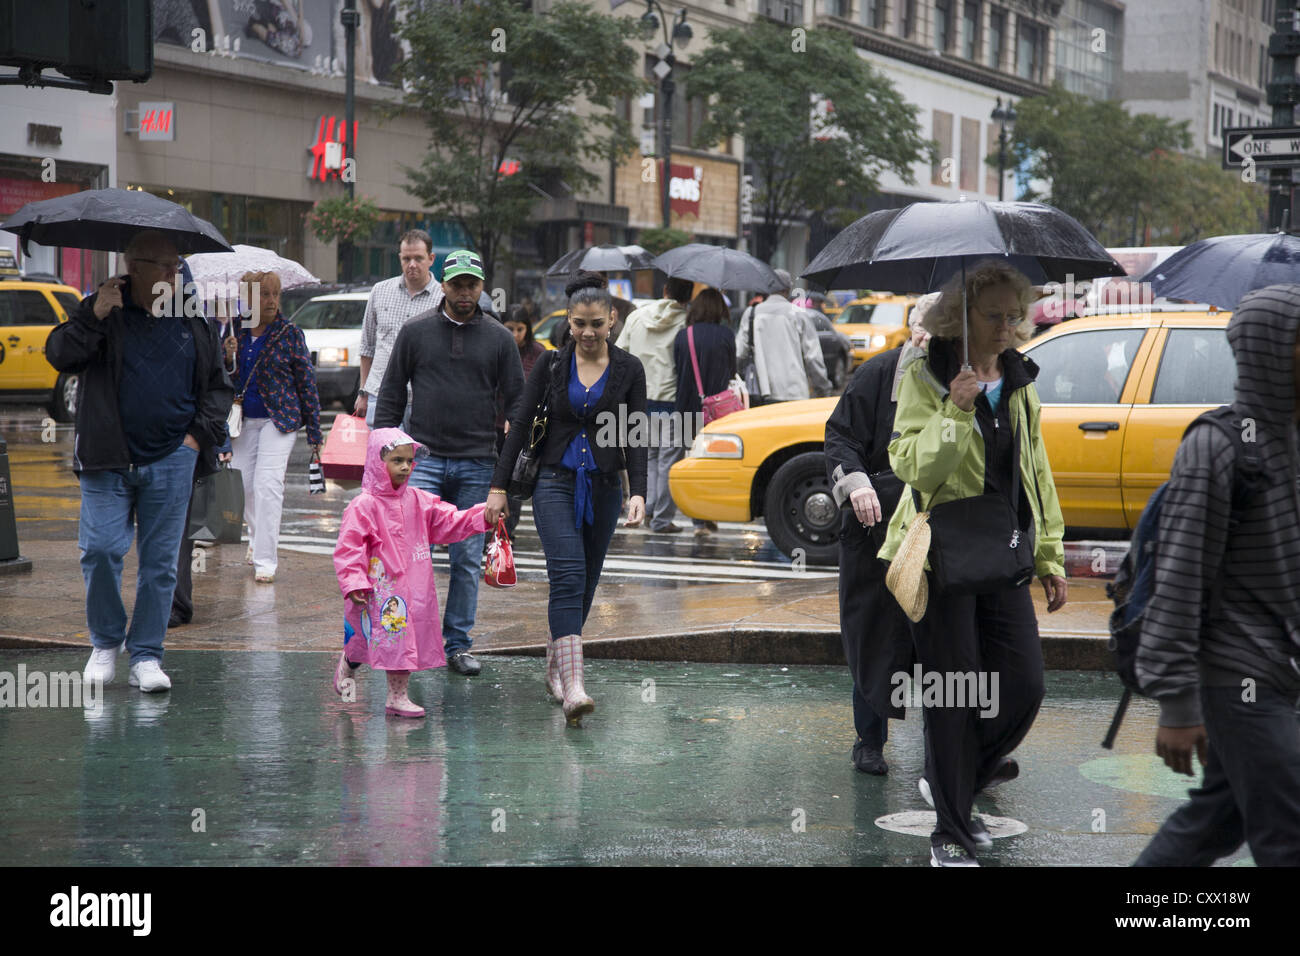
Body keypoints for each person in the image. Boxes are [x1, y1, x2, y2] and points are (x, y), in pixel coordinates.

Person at [878, 260, 1067, 867]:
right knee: (953, 693)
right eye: (995, 316)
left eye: (1015, 315)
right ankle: (950, 833)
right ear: (961, 319)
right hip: (941, 556)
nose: (1008, 327)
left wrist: (1049, 555)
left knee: (1024, 685)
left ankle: (956, 774)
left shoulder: (1018, 376)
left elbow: (1034, 470)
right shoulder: (924, 373)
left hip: (1003, 553)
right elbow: (912, 469)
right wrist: (955, 412)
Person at [1133, 285, 1300, 867]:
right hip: (1238, 674)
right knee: (1291, 833)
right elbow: (1179, 580)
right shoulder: (1217, 446)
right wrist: (1178, 705)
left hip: (1283, 668)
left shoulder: (1292, 438)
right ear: (1271, 348)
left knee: (1215, 821)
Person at [46, 230, 233, 693]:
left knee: (161, 564)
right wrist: (92, 316)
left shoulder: (193, 317)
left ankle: (147, 654)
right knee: (101, 550)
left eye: (177, 265)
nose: (177, 273)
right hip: (107, 459)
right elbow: (60, 355)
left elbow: (217, 386)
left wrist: (194, 439)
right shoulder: (102, 308)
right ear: (136, 267)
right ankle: (106, 642)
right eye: (166, 266)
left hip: (173, 457)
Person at [489, 271, 648, 724]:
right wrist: (499, 487)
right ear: (569, 321)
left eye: (597, 323)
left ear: (613, 319)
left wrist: (638, 492)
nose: (588, 333)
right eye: (579, 324)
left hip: (602, 485)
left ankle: (558, 657)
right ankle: (575, 686)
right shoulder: (552, 363)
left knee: (588, 580)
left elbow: (635, 436)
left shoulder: (629, 369)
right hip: (553, 481)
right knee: (569, 574)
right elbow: (520, 424)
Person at [375, 249, 524, 676]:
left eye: (472, 285)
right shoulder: (415, 331)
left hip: (478, 462)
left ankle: (457, 645)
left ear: (482, 288)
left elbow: (518, 400)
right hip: (423, 460)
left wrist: (508, 464)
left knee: (465, 558)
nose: (464, 292)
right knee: (408, 555)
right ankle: (407, 638)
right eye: (456, 284)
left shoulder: (498, 338)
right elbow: (390, 394)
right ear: (443, 285)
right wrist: (385, 452)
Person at [823, 299, 933, 775]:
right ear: (911, 329)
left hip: (936, 528)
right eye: (923, 330)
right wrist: (857, 483)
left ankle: (959, 746)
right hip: (872, 527)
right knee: (872, 633)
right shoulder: (878, 373)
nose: (929, 340)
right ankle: (868, 740)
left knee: (941, 641)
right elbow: (839, 437)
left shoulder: (963, 384)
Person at [332, 428, 491, 718]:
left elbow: (449, 521)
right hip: (374, 588)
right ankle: (350, 662)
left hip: (411, 587)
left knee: (401, 638)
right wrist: (354, 581)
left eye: (409, 461)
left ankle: (397, 696)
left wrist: (481, 516)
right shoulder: (363, 505)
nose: (405, 467)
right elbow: (349, 547)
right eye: (397, 461)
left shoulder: (418, 500)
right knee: (363, 641)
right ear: (378, 463)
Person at [229, 270, 322, 583]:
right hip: (242, 421)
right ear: (248, 298)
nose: (271, 301)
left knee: (268, 486)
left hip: (279, 420)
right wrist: (225, 356)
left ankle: (265, 561)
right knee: (242, 488)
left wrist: (314, 433)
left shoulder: (289, 333)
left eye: (275, 294)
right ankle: (256, 539)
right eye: (263, 294)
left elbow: (306, 383)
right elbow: (221, 381)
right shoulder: (235, 333)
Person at [171, 260, 237, 627]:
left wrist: (198, 438)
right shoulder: (125, 318)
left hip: (183, 448)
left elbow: (218, 389)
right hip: (136, 448)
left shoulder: (199, 326)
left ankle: (174, 604)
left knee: (177, 529)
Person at [616, 276, 692, 533]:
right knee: (669, 462)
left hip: (640, 400)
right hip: (674, 403)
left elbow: (620, 352)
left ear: (665, 289)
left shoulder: (637, 317)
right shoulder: (687, 322)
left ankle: (644, 508)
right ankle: (661, 518)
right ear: (688, 297)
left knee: (644, 459)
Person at [355, 229, 442, 427]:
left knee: (421, 457)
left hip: (424, 398)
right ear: (400, 258)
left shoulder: (443, 298)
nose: (412, 264)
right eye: (406, 258)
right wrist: (363, 392)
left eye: (418, 258)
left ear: (431, 258)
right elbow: (367, 347)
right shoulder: (380, 291)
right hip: (381, 394)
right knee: (383, 456)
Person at [671, 287, 735, 536]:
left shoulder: (682, 336)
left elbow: (678, 370)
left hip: (687, 407)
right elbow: (731, 372)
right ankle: (710, 514)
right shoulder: (726, 336)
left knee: (693, 462)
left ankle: (698, 520)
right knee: (715, 463)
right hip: (719, 410)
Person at [735, 269, 831, 405]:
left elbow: (739, 353)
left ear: (767, 287)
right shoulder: (800, 315)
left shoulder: (751, 313)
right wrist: (823, 388)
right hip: (795, 394)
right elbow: (813, 358)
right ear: (788, 289)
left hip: (761, 393)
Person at [500, 305, 548, 540]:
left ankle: (508, 529)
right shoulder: (497, 346)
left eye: (520, 329)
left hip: (524, 426)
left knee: (516, 477)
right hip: (495, 424)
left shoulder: (538, 353)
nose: (516, 335)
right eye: (510, 329)